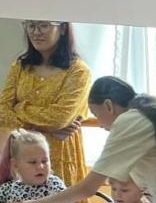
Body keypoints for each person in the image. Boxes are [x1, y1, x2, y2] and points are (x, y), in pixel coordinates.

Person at [5, 77, 156, 203]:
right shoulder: (153, 110)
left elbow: (88, 188)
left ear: (109, 106)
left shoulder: (130, 120)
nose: (100, 125)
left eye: (96, 115)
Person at [0, 21, 90, 187]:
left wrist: (19, 107)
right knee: (16, 201)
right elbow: (3, 112)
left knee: (57, 201)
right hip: (20, 155)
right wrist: (46, 127)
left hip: (58, 155)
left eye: (43, 26)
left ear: (62, 28)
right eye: (31, 26)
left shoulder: (78, 71)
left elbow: (59, 118)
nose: (36, 32)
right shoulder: (20, 66)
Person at [0, 130, 65, 203]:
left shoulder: (55, 185)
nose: (40, 166)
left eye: (44, 161)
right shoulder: (8, 189)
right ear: (15, 164)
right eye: (32, 162)